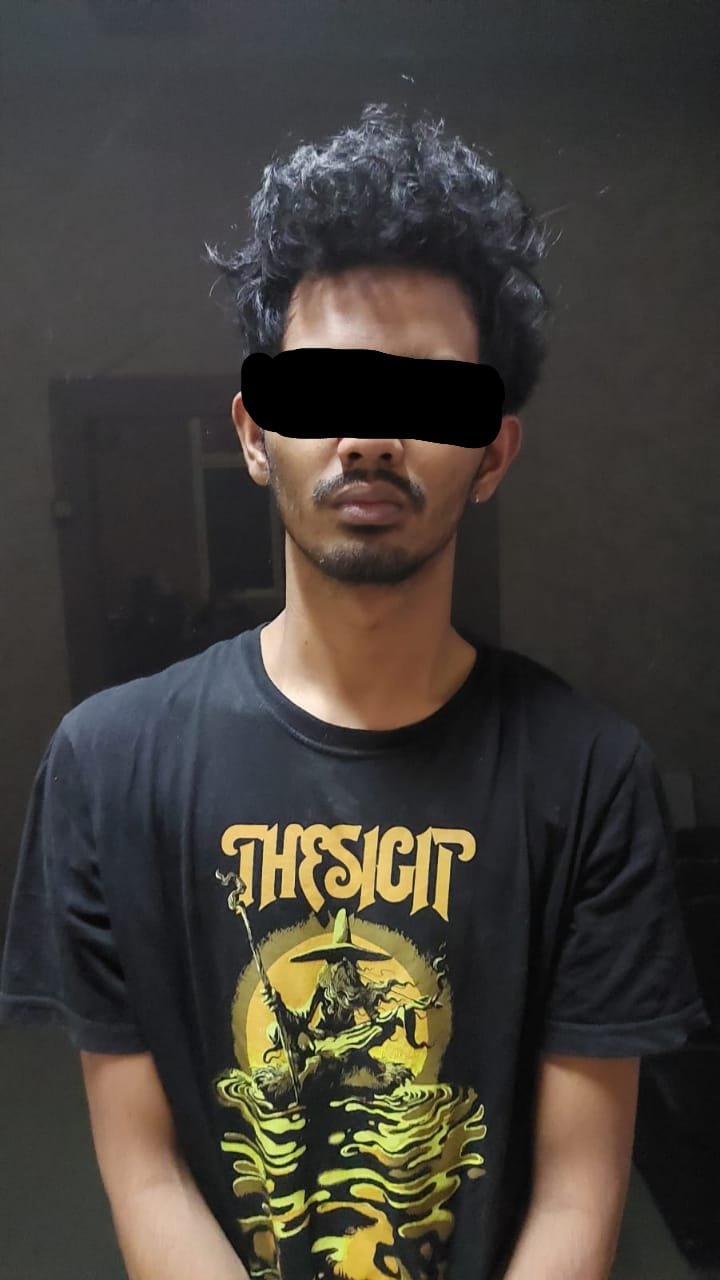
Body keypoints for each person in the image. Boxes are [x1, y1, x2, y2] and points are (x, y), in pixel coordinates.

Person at [0, 103, 709, 1280]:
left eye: (430, 396)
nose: (372, 435)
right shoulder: (105, 765)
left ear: (492, 453)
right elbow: (145, 1167)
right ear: (254, 432)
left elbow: (579, 1190)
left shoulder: (589, 774)